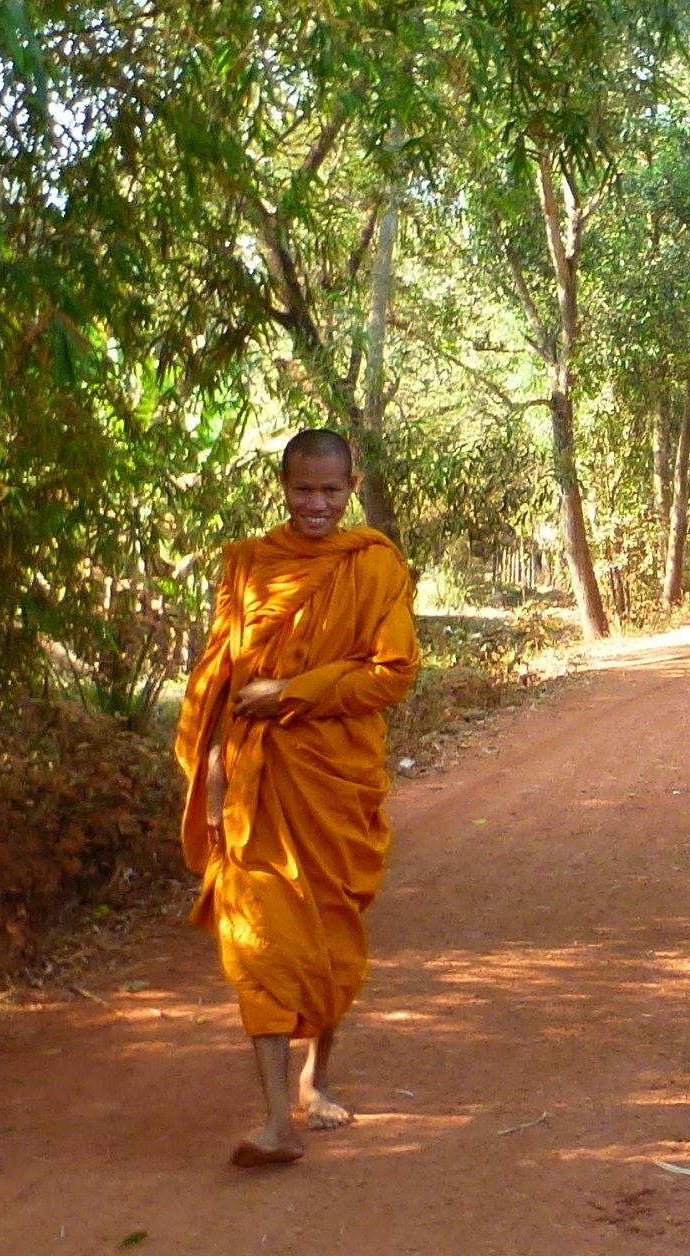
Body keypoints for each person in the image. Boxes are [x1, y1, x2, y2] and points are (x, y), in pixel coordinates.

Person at [173, 429, 420, 1168]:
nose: (316, 504)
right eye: (302, 490)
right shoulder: (249, 566)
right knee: (261, 939)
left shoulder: (372, 565)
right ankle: (277, 1120)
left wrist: (292, 692)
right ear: (283, 486)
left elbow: (393, 673)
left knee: (327, 931)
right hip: (256, 781)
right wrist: (210, 771)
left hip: (334, 779)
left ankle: (316, 1085)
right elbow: (219, 675)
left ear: (350, 489)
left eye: (330, 491)